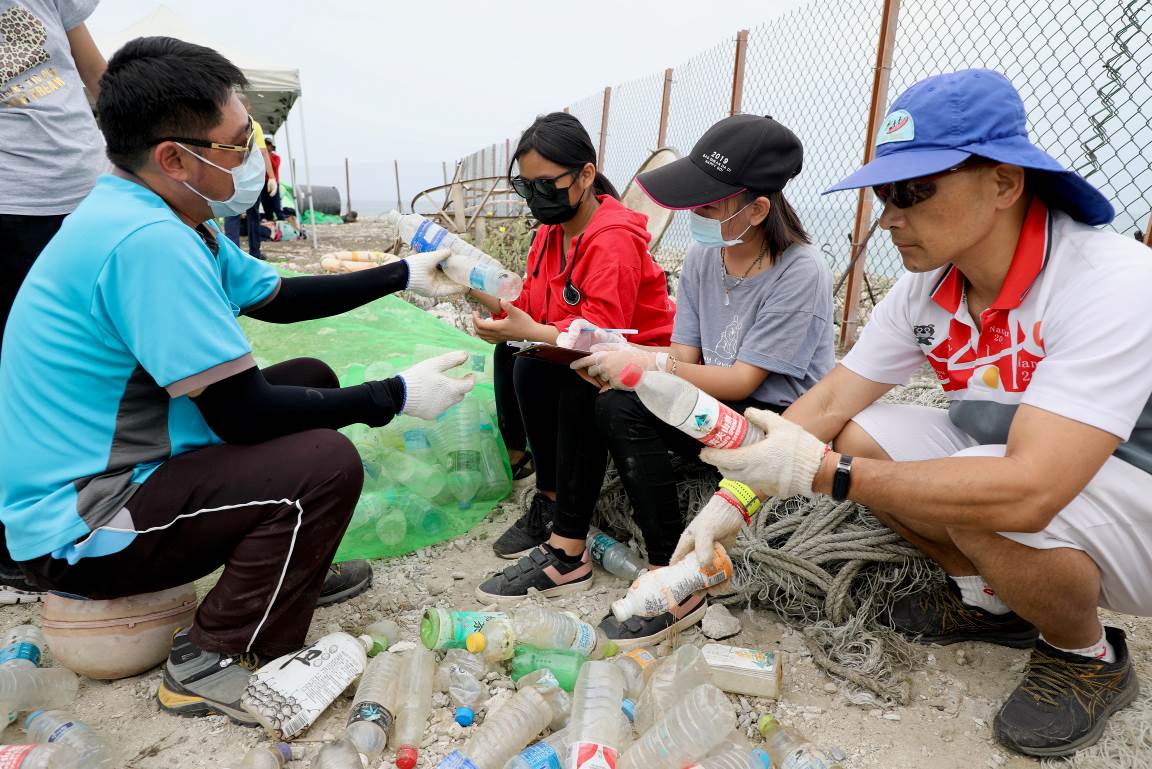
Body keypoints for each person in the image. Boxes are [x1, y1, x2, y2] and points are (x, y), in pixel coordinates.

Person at [0, 37, 474, 724]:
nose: (249, 155)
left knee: (310, 378)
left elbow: (278, 297)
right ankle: (216, 655)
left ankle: (289, 571)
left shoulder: (167, 214)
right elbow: (245, 414)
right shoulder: (147, 244)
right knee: (323, 462)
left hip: (123, 465)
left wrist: (402, 275)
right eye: (235, 141)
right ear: (173, 157)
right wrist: (393, 397)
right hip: (81, 524)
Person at [677, 70, 1149, 757]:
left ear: (1004, 183)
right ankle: (987, 601)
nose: (889, 215)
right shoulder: (929, 286)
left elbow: (1032, 486)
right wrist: (735, 496)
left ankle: (1086, 653)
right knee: (865, 435)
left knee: (979, 485)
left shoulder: (1108, 279)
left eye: (915, 191)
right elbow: (834, 400)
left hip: (1134, 489)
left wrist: (828, 474)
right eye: (883, 193)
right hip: (1039, 473)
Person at [559, 114, 834, 646]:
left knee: (629, 400)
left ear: (757, 209)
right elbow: (686, 352)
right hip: (713, 406)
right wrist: (622, 355)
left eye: (707, 206)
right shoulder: (705, 257)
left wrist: (648, 366)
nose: (694, 215)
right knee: (608, 396)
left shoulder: (801, 271)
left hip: (772, 423)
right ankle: (597, 544)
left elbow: (742, 379)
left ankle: (678, 575)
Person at [468, 112, 676, 578]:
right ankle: (546, 492)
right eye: (526, 188)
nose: (536, 199)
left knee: (547, 370)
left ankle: (566, 532)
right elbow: (533, 306)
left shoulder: (613, 240)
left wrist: (528, 328)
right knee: (513, 352)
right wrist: (469, 287)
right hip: (585, 345)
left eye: (546, 185)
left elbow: (604, 337)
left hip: (638, 355)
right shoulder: (548, 234)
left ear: (585, 175)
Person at [0, 0, 108, 604]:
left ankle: (109, 510)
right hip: (9, 207)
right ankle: (17, 543)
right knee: (15, 376)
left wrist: (144, 148)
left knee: (107, 361)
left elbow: (96, 72)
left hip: (88, 189)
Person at [222, 92, 275, 259]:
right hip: (251, 179)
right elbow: (262, 152)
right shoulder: (253, 124)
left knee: (231, 216)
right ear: (249, 107)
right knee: (253, 216)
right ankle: (255, 252)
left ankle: (233, 255)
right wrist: (271, 177)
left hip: (230, 176)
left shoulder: (222, 122)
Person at [260, 136, 285, 223]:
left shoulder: (276, 157)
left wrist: (267, 156)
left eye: (268, 145)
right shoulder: (260, 157)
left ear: (272, 146)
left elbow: (274, 166)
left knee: (276, 204)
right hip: (263, 183)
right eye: (265, 144)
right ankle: (269, 219)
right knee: (265, 203)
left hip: (274, 183)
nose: (267, 146)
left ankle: (281, 221)